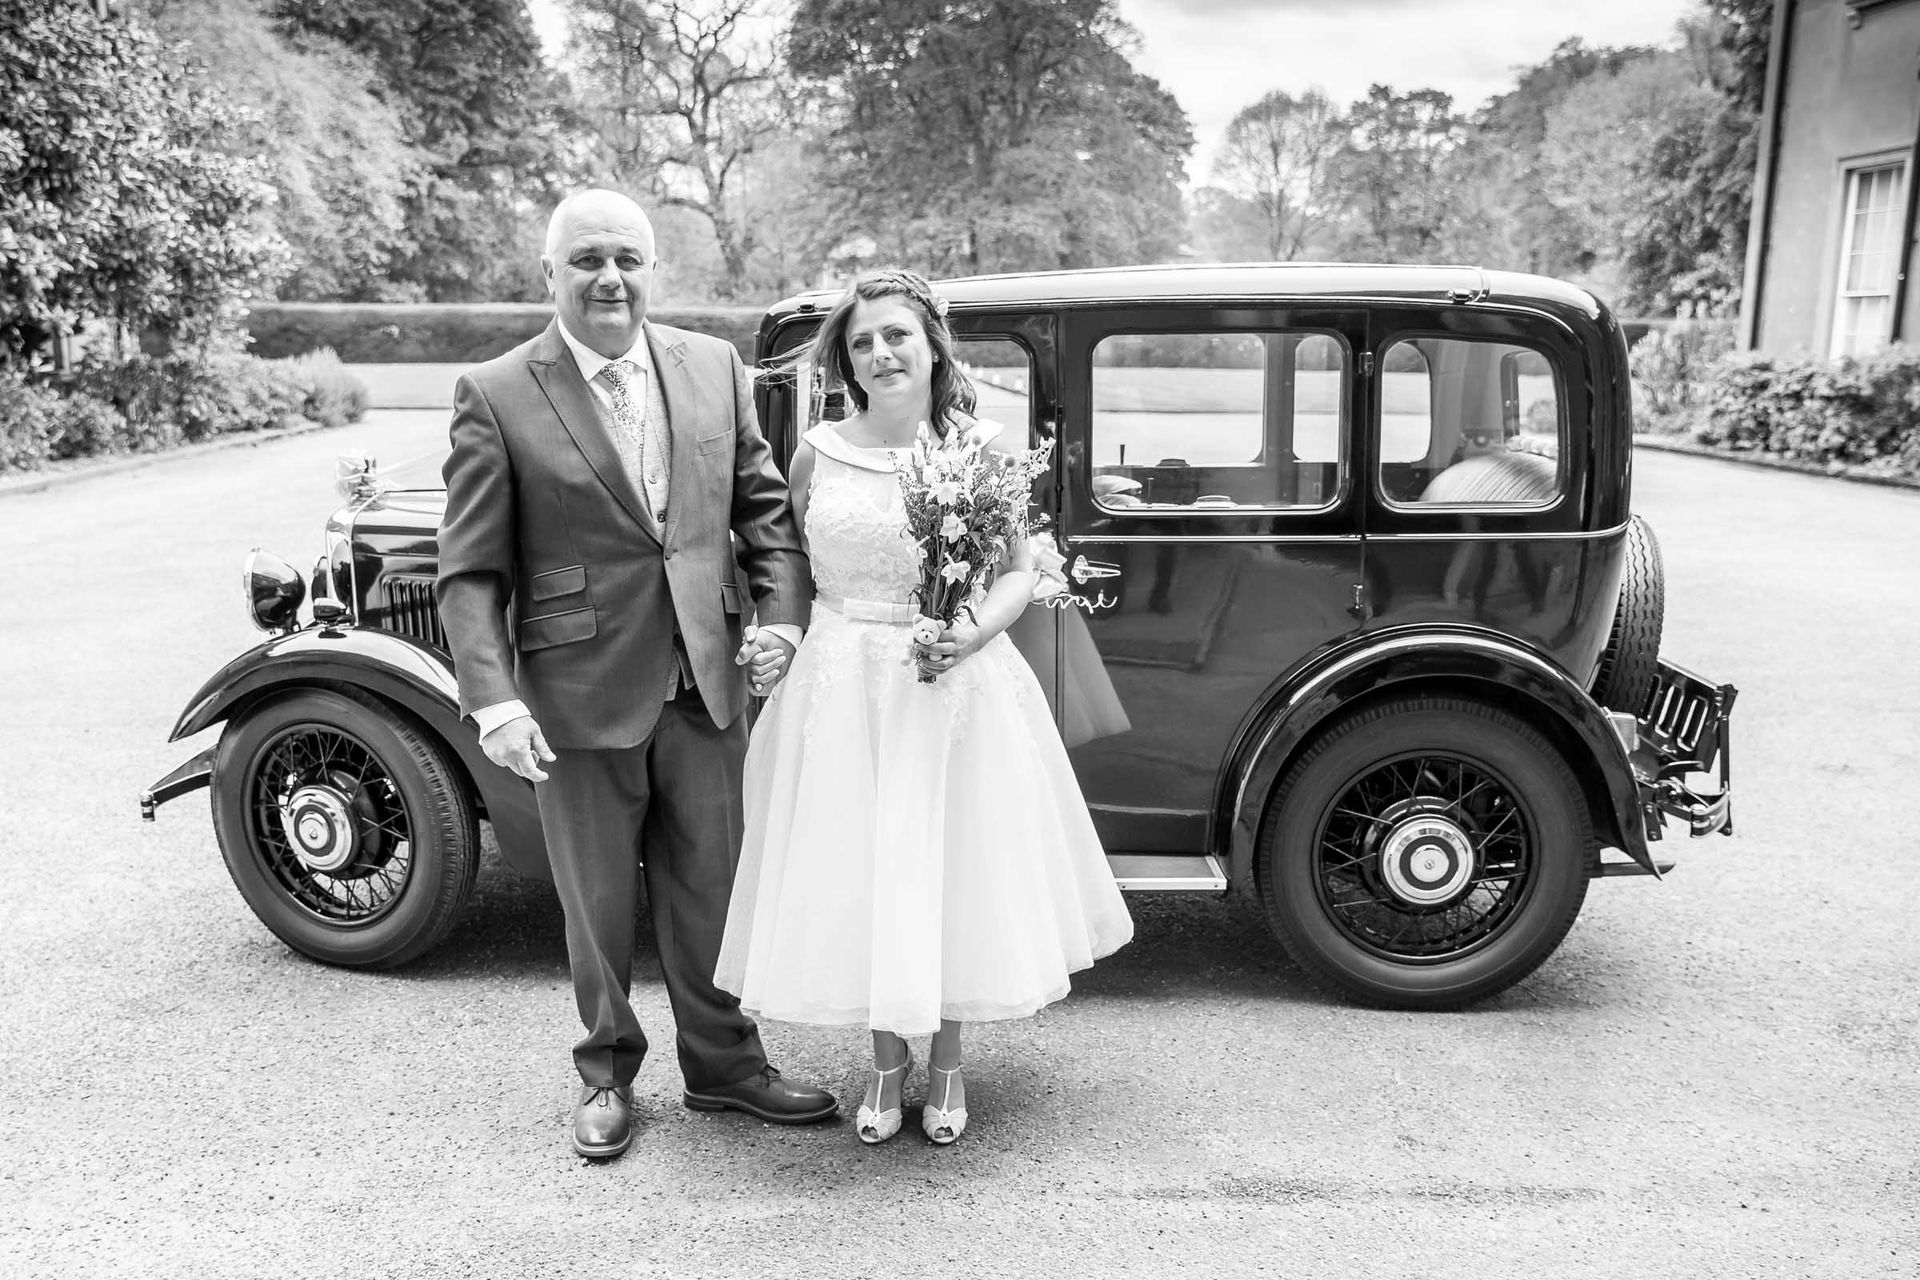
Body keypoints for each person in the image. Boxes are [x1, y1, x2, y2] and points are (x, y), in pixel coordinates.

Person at [436, 188, 835, 1160]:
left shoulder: (715, 366)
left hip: (707, 683)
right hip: (575, 698)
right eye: (586, 260)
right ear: (550, 276)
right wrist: (492, 697)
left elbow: (765, 517)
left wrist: (780, 622)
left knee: (713, 886)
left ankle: (726, 1066)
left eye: (627, 257)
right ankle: (606, 1074)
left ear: (654, 269)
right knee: (597, 902)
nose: (609, 276)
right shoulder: (495, 391)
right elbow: (471, 571)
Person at [714, 268, 1135, 1146]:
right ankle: (882, 1061)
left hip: (949, 677)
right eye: (863, 342)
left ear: (932, 347)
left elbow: (1021, 569)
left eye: (896, 334)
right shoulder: (817, 451)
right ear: (846, 362)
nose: (881, 352)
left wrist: (969, 633)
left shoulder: (978, 447)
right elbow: (784, 569)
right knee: (863, 867)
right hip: (840, 685)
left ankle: (945, 1061)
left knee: (944, 865)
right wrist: (777, 638)